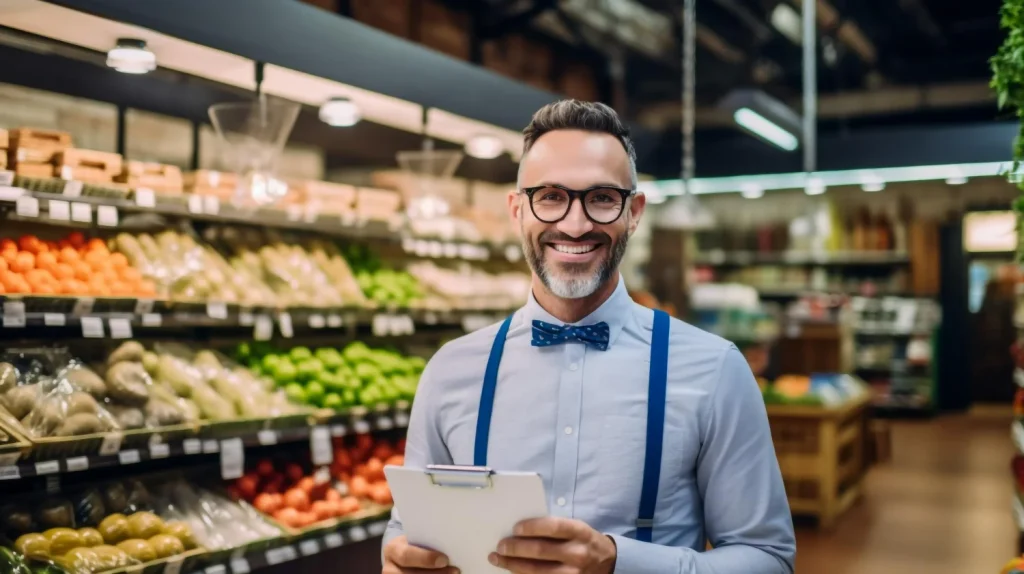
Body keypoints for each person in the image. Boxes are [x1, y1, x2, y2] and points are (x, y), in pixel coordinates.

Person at [382, 100, 795, 574]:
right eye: (551, 196)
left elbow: (768, 559)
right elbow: (406, 531)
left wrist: (621, 562)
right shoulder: (450, 370)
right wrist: (399, 559)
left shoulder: (715, 369)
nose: (574, 225)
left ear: (634, 212)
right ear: (517, 210)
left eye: (601, 198)